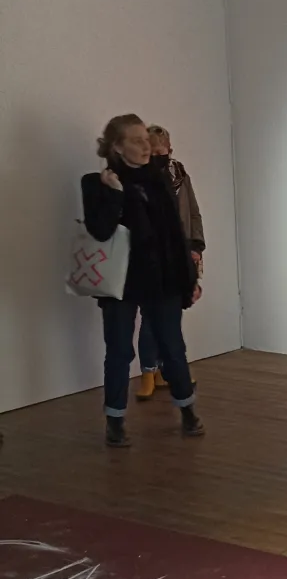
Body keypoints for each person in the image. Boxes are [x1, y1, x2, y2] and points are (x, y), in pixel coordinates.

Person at [82, 115, 204, 447]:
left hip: (161, 280)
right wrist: (115, 194)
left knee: (172, 347)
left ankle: (188, 411)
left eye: (145, 138)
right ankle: (115, 421)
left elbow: (174, 235)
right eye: (136, 140)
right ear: (117, 146)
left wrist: (188, 279)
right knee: (119, 351)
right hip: (120, 283)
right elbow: (100, 230)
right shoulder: (96, 183)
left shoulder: (158, 179)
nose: (145, 145)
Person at [135, 124, 205, 400]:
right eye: (157, 154)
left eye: (167, 152)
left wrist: (196, 244)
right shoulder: (139, 179)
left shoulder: (179, 172)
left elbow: (193, 211)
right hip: (150, 257)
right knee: (150, 316)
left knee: (170, 317)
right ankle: (148, 372)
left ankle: (165, 370)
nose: (164, 158)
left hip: (180, 254)